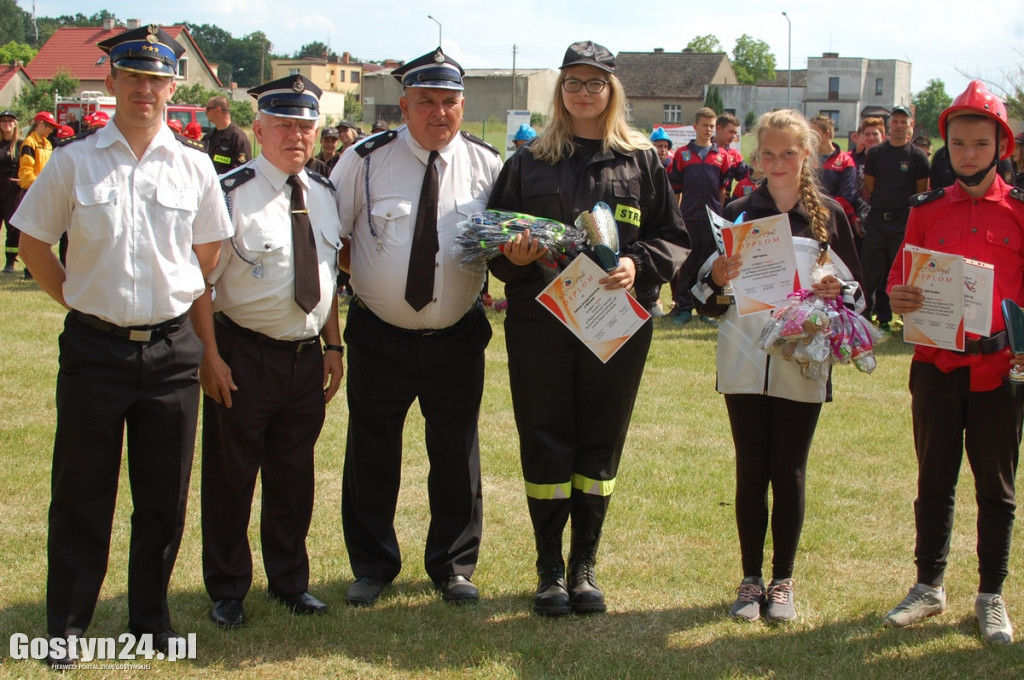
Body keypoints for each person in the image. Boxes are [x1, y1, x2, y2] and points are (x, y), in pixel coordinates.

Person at [11, 25, 232, 667]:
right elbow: (32, 245)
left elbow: (208, 253)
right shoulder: (75, 162)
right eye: (131, 78)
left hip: (170, 353)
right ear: (110, 84)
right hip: (94, 351)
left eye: (155, 79)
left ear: (172, 87)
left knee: (162, 497)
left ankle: (149, 620)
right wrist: (81, 299)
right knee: (81, 493)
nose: (143, 90)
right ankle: (68, 628)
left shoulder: (193, 167)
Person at [487, 40, 689, 616]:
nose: (583, 93)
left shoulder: (642, 160)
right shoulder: (527, 161)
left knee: (600, 443)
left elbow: (672, 237)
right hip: (542, 325)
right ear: (560, 91)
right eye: (573, 83)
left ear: (611, 91)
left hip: (615, 325)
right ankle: (549, 568)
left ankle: (585, 567)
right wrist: (516, 258)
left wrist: (637, 263)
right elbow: (495, 249)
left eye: (594, 83)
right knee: (546, 438)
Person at [330, 46, 502, 607]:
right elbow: (336, 240)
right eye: (425, 101)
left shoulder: (488, 165)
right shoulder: (364, 159)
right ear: (403, 105)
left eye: (449, 102)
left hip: (457, 336)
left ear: (462, 105)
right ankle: (372, 565)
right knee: (372, 451)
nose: (439, 113)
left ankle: (453, 565)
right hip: (381, 334)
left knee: (456, 453)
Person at [692, 109, 863, 623]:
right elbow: (701, 296)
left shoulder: (830, 214)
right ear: (756, 157)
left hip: (802, 364)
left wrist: (840, 292)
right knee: (751, 469)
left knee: (788, 471)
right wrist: (718, 275)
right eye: (769, 153)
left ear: (807, 154)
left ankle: (783, 581)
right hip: (742, 359)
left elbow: (860, 295)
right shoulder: (739, 211)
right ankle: (749, 581)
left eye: (789, 152)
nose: (779, 161)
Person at [194, 75, 343, 629]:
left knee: (293, 477)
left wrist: (333, 344)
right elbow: (201, 285)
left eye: (306, 125)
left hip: (306, 358)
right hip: (243, 354)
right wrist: (209, 355)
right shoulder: (229, 193)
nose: (296, 136)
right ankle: (229, 588)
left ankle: (289, 582)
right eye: (283, 124)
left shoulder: (325, 195)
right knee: (232, 477)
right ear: (258, 129)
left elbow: (325, 275)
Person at [884, 80, 1024, 645]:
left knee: (996, 486)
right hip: (937, 366)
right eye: (959, 143)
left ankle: (991, 595)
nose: (968, 154)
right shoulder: (927, 210)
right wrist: (898, 297)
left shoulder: (1018, 214)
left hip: (1001, 373)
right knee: (933, 478)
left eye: (980, 144)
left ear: (1001, 148)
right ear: (947, 146)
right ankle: (928, 586)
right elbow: (898, 279)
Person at [861, 105, 929, 330]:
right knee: (870, 273)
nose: (899, 125)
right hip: (878, 219)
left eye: (904, 121)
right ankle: (862, 317)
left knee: (900, 273)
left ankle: (897, 319)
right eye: (896, 121)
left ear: (910, 125)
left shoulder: (917, 157)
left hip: (903, 222)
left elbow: (920, 191)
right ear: (890, 124)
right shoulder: (877, 153)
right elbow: (870, 185)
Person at [667, 106, 735, 324]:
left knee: (709, 266)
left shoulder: (722, 156)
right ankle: (684, 308)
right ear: (695, 127)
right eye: (704, 125)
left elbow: (723, 189)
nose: (708, 129)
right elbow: (675, 189)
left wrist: (720, 214)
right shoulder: (682, 154)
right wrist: (676, 217)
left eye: (712, 126)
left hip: (712, 220)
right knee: (686, 265)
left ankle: (705, 309)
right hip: (688, 217)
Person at [18, 110, 58, 278]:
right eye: (49, 127)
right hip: (33, 191)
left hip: (46, 191)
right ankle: (29, 270)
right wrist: (37, 186)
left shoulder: (47, 144)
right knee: (34, 233)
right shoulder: (29, 143)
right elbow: (26, 170)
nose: (51, 131)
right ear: (41, 124)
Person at [810, 115, 858, 231]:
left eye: (814, 133)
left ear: (826, 134)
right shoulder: (807, 158)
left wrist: (823, 207)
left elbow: (847, 196)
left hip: (834, 219)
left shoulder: (845, 161)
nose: (810, 137)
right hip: (809, 216)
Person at [204, 95, 251, 174]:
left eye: (208, 109)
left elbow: (244, 170)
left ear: (218, 110)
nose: (205, 112)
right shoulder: (208, 137)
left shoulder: (238, 138)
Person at [0, 110, 21, 274]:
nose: (6, 123)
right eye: (3, 120)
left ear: (15, 124)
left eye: (9, 120)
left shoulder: (21, 144)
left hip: (14, 189)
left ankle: (10, 262)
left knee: (13, 227)